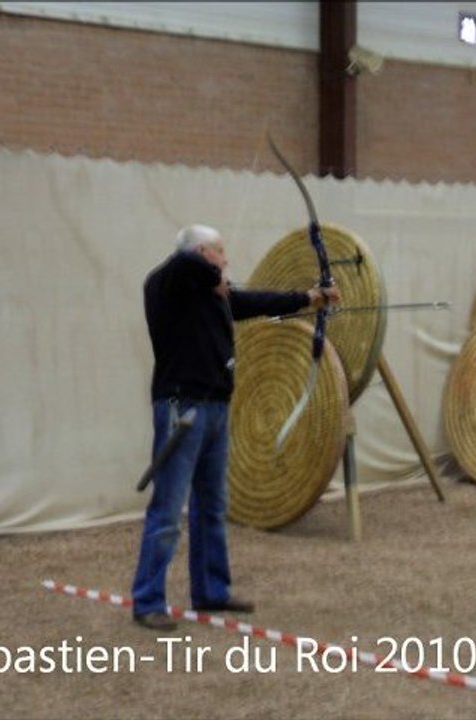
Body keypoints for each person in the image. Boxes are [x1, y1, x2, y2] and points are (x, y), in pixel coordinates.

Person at [132, 224, 340, 631]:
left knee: (212, 505)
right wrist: (210, 273)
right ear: (201, 253)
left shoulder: (214, 297)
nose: (227, 260)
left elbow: (255, 300)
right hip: (181, 407)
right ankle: (147, 599)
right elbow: (182, 264)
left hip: (215, 409)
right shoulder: (168, 283)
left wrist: (310, 298)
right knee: (169, 508)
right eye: (220, 252)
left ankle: (211, 590)